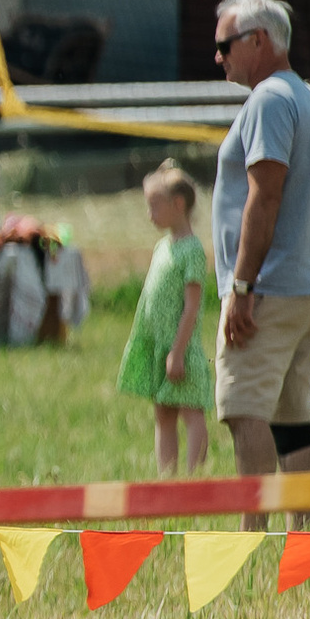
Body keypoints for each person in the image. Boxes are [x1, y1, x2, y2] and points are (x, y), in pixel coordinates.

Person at [208, 0, 310, 503]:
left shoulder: (270, 99)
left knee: (243, 411)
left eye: (226, 45)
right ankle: (304, 538)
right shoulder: (307, 98)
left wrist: (242, 284)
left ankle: (251, 541)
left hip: (269, 288)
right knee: (292, 417)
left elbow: (265, 195)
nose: (219, 56)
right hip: (306, 284)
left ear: (258, 40)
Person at [119, 161, 212, 475]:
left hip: (179, 349)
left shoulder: (192, 250)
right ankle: (167, 481)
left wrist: (178, 351)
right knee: (163, 413)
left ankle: (193, 478)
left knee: (190, 411)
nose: (150, 214)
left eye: (154, 205)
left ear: (178, 204)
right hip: (159, 346)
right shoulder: (163, 246)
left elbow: (192, 306)